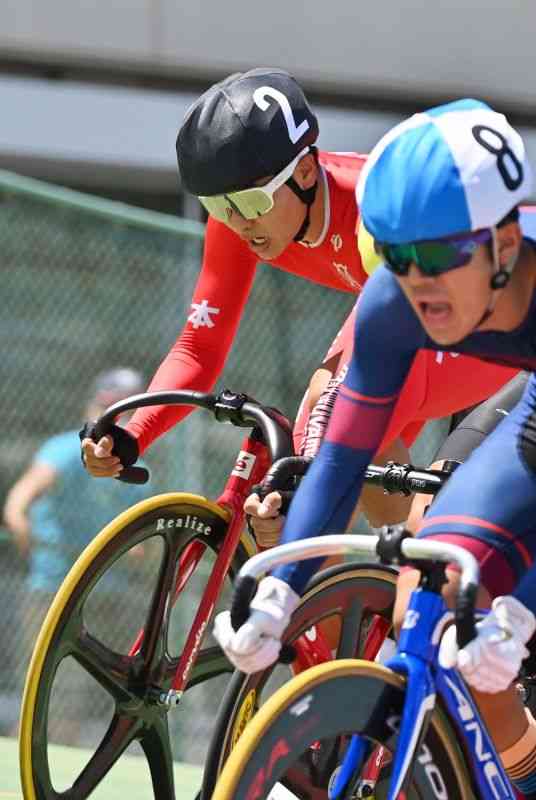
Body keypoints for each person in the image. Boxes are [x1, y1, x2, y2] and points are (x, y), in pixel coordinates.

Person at [214, 99, 536, 797]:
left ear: (505, 246)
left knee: (496, 611)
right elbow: (340, 459)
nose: (416, 281)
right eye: (395, 256)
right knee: (430, 594)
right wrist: (279, 591)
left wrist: (519, 607)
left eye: (438, 256)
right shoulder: (394, 304)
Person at [81, 68, 519, 535]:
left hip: (499, 336)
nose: (237, 222)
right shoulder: (238, 218)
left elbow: (363, 368)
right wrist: (134, 431)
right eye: (217, 207)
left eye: (250, 203)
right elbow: (197, 348)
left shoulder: (373, 210)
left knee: (327, 413)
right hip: (423, 336)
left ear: (305, 171)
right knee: (336, 520)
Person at [3, 367, 151, 645]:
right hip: (56, 590)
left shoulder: (138, 469)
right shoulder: (66, 450)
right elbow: (17, 505)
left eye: (122, 411)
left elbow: (142, 546)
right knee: (54, 681)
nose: (115, 419)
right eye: (108, 408)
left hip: (108, 594)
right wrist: (30, 545)